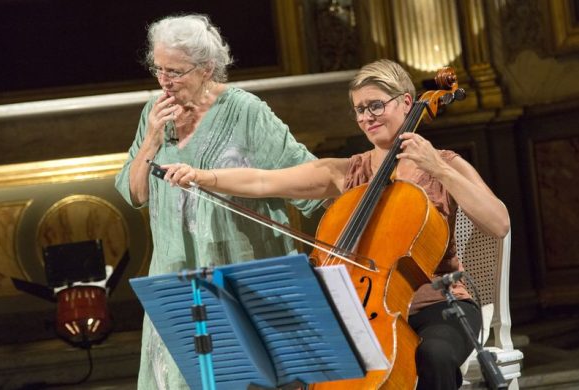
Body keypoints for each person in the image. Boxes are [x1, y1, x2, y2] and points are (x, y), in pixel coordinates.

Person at [164, 59, 510, 390]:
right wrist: (201, 176)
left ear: (407, 103)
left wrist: (438, 168)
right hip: (362, 312)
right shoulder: (348, 172)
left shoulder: (445, 165)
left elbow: (498, 223)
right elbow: (262, 181)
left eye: (375, 105)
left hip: (439, 307)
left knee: (433, 356)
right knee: (290, 366)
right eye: (360, 109)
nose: (367, 117)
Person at [115, 14, 323, 389]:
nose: (164, 81)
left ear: (207, 68)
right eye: (158, 69)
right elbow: (136, 194)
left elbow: (307, 178)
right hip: (176, 279)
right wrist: (150, 141)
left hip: (240, 277)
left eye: (175, 72)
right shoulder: (154, 113)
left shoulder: (246, 111)